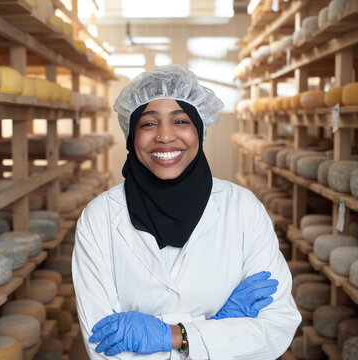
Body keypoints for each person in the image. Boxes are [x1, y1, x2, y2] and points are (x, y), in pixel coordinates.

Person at [72, 65, 301, 359]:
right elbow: (102, 346)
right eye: (148, 124)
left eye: (180, 121)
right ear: (131, 136)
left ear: (199, 129)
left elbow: (276, 327)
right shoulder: (100, 217)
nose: (165, 137)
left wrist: (175, 336)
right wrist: (217, 333)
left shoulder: (243, 209)